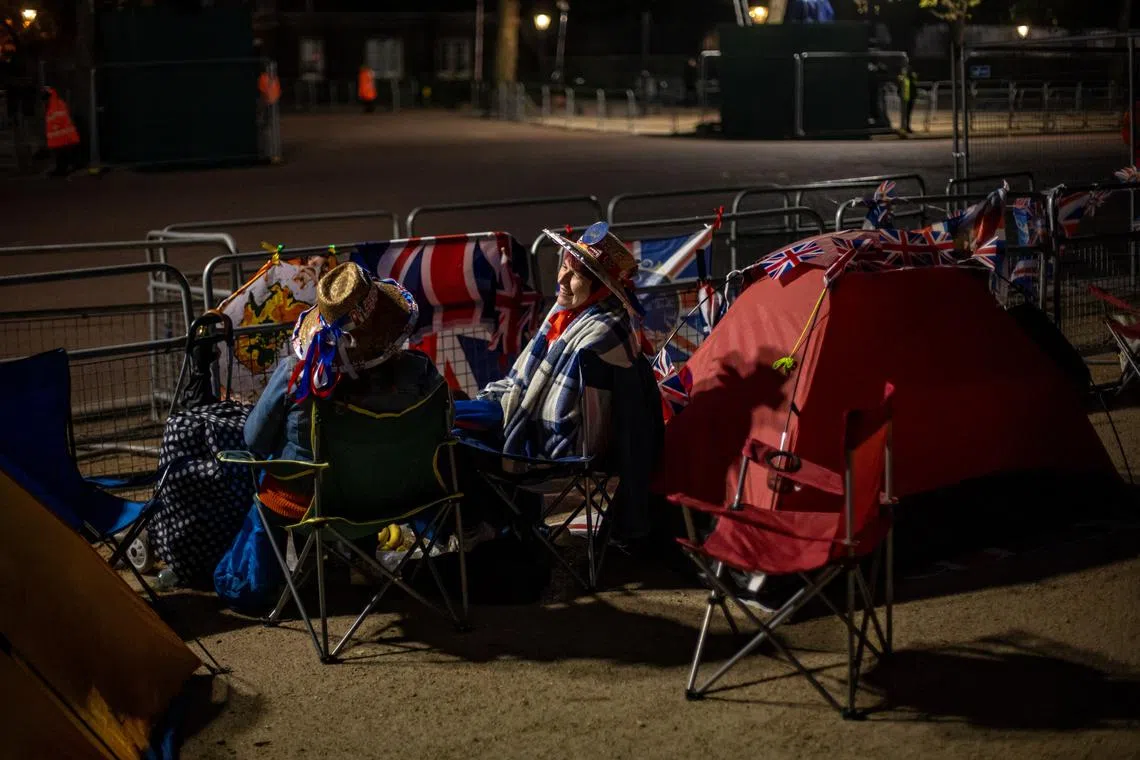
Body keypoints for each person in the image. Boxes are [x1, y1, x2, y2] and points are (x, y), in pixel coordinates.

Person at [243, 262, 438, 523]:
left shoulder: (299, 376)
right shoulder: (419, 372)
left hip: (315, 503)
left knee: (267, 480)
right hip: (400, 496)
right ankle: (359, 560)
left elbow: (254, 440)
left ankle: (299, 563)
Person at [42, 86, 80, 178]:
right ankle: (61, 170)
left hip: (61, 135)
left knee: (62, 154)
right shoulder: (54, 104)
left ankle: (62, 170)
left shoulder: (56, 105)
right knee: (61, 154)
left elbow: (60, 119)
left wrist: (56, 129)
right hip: (60, 135)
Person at [898, 64, 918, 134]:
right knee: (904, 114)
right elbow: (900, 86)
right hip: (905, 98)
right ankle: (903, 128)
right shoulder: (903, 77)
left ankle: (907, 127)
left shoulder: (911, 76)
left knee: (908, 114)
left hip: (909, 97)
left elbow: (914, 86)